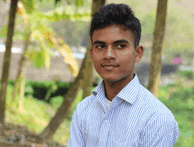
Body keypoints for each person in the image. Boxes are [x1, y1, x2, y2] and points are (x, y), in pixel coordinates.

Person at [67, 3, 179, 147]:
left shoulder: (157, 118)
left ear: (137, 53)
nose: (108, 55)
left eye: (120, 46)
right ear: (92, 53)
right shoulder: (84, 110)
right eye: (101, 46)